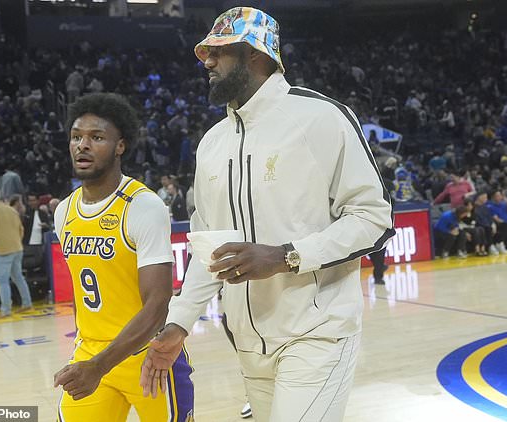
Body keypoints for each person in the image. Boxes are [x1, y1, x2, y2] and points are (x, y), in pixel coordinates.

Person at [140, 8, 394, 422]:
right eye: (206, 52)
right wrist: (179, 323)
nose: (207, 61)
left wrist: (285, 256)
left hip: (318, 333)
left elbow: (374, 218)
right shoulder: (212, 143)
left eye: (219, 52)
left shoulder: (320, 117)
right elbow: (209, 248)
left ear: (257, 55)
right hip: (246, 344)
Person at [53, 93, 193, 421]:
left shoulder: (142, 206)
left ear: (120, 146)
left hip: (148, 356)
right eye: (76, 137)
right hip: (90, 352)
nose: (82, 145)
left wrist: (99, 366)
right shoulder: (65, 211)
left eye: (96, 137)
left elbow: (157, 306)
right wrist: (92, 361)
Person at [0, 188, 33, 318]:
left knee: (2, 281)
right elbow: (20, 228)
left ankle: (5, 310)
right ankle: (27, 303)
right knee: (18, 277)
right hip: (17, 247)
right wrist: (17, 241)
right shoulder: (11, 210)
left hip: (2, 250)